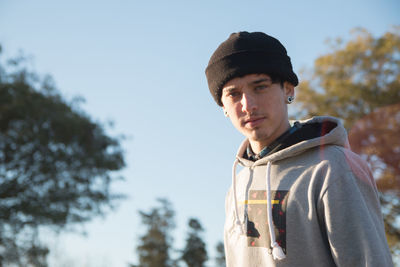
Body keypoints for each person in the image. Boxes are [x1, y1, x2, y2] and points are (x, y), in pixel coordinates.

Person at [205, 31, 393, 266]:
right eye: (233, 94)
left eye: (260, 87)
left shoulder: (333, 168)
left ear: (288, 89)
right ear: (223, 105)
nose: (248, 105)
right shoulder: (238, 185)